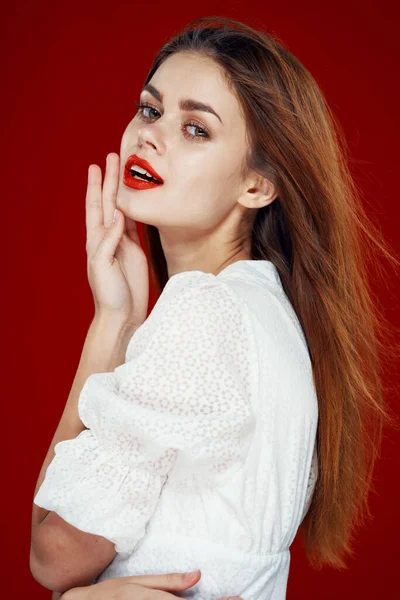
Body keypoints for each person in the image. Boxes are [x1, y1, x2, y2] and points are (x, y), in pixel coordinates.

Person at [30, 15, 398, 600]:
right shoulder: (266, 313)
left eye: (196, 128)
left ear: (257, 185)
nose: (149, 136)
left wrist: (110, 329)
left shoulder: (204, 312)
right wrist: (119, 316)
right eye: (150, 110)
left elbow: (52, 555)